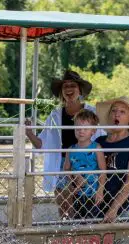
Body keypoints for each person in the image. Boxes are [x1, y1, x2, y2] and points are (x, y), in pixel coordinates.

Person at [25, 70, 103, 219]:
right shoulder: (55, 115)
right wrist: (28, 132)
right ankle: (66, 232)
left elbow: (103, 139)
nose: (68, 89)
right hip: (63, 164)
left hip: (88, 162)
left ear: (79, 90)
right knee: (64, 206)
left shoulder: (92, 112)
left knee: (87, 204)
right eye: (65, 86)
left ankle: (85, 232)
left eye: (72, 85)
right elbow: (42, 144)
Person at [95, 97, 129, 223]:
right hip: (97, 206)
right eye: (113, 111)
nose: (116, 114)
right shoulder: (98, 142)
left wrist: (114, 209)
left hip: (126, 208)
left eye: (122, 111)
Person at [63, 109, 106, 219]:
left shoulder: (97, 148)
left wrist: (100, 191)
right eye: (78, 128)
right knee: (77, 221)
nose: (81, 131)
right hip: (76, 195)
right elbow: (66, 170)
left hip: (93, 195)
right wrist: (73, 179)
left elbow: (103, 171)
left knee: (92, 221)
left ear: (93, 131)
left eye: (85, 128)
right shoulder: (70, 150)